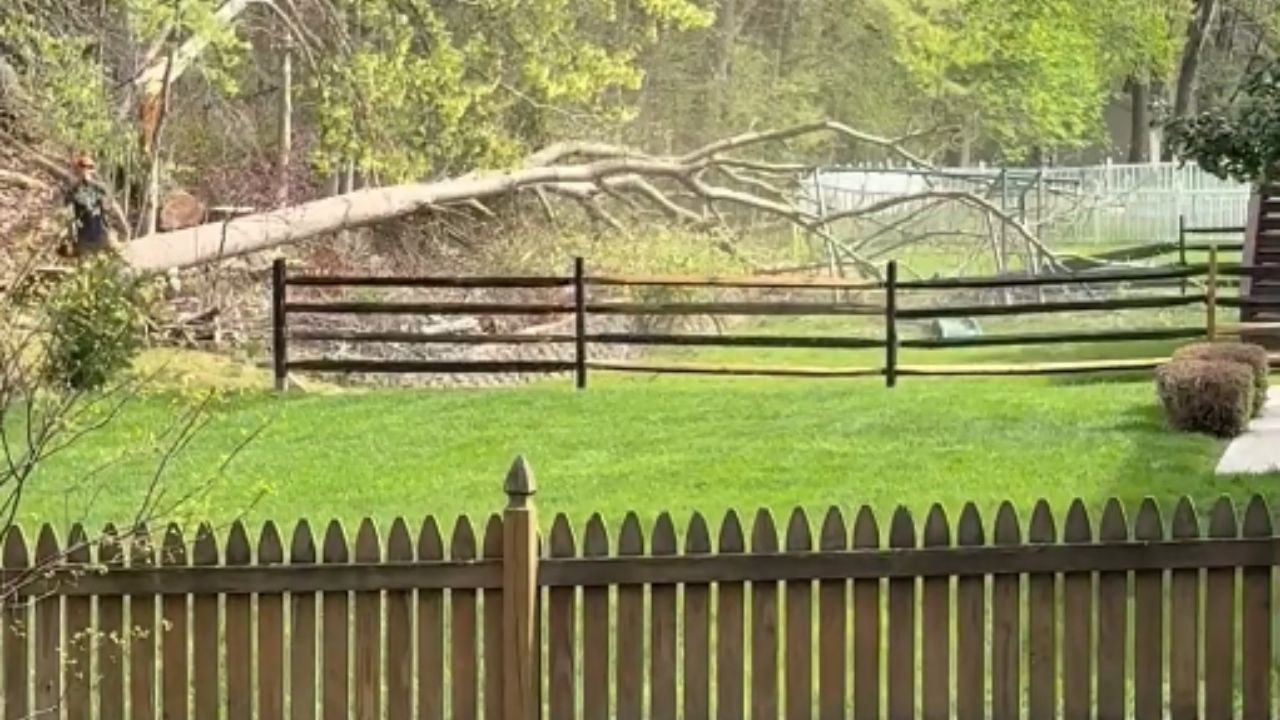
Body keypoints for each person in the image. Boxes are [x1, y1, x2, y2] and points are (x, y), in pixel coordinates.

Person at [63, 153, 128, 258]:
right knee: (86, 269)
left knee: (118, 261)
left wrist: (124, 227)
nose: (85, 170)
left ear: (92, 170)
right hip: (84, 238)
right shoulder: (72, 191)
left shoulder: (99, 188)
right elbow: (68, 217)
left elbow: (113, 208)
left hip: (102, 234)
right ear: (78, 169)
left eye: (88, 167)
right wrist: (70, 238)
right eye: (82, 167)